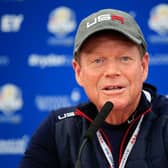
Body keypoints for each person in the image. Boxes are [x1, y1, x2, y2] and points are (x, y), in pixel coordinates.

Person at [19, 8, 168, 168]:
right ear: (78, 72)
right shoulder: (59, 128)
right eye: (98, 60)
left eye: (124, 58)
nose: (112, 71)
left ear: (144, 66)